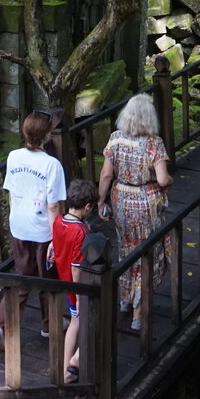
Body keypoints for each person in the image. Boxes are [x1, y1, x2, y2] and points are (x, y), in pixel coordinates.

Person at [0, 111, 66, 353]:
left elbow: (11, 191)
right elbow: (53, 206)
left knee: (22, 278)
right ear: (47, 135)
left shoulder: (13, 157)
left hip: (19, 225)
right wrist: (56, 237)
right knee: (48, 279)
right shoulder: (52, 165)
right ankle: (50, 324)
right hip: (43, 229)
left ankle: (1, 325)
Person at [98, 93, 173, 331]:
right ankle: (138, 313)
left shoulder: (115, 139)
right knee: (146, 252)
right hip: (145, 203)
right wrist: (170, 180)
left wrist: (100, 201)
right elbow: (162, 179)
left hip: (121, 198)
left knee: (126, 248)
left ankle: (125, 299)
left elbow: (106, 174)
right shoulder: (154, 143)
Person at [48, 178, 97, 382]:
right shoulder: (81, 231)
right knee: (91, 321)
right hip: (77, 286)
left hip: (64, 281)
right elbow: (77, 268)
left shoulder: (59, 221)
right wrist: (79, 295)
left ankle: (65, 370)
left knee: (75, 321)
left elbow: (57, 242)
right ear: (87, 206)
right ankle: (76, 360)